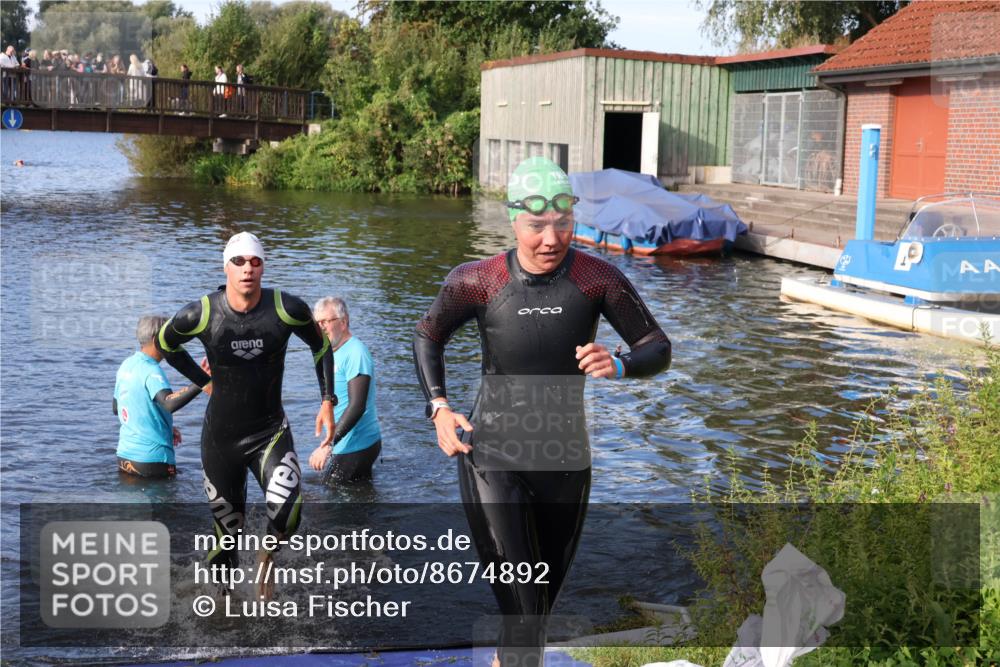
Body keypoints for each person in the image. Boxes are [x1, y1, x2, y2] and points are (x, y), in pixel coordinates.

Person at [413, 156, 671, 666]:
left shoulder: (598, 279)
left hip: (566, 463)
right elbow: (428, 335)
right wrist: (438, 407)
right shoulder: (478, 281)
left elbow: (656, 347)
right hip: (493, 457)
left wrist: (619, 364)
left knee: (533, 613)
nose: (551, 239)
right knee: (526, 611)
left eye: (563, 224)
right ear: (514, 220)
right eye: (537, 226)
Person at [157, 231, 335, 599]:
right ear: (226, 267)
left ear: (263, 267)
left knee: (289, 511)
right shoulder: (202, 313)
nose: (247, 269)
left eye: (255, 261)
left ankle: (266, 557)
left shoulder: (286, 309)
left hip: (269, 431)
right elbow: (164, 344)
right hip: (221, 440)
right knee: (227, 533)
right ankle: (223, 604)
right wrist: (202, 380)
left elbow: (321, 347)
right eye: (239, 261)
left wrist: (327, 400)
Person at [113, 315, 207, 478]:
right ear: (158, 339)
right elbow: (169, 403)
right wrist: (202, 380)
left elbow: (118, 408)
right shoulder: (152, 370)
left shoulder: (126, 365)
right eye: (169, 336)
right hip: (153, 460)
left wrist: (163, 426)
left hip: (125, 457)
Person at [308, 297, 382, 484]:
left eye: (326, 321)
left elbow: (357, 406)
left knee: (326, 506)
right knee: (357, 499)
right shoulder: (333, 352)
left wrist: (328, 444)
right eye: (318, 323)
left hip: (357, 445)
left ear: (343, 321)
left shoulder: (356, 352)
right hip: (347, 444)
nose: (321, 327)